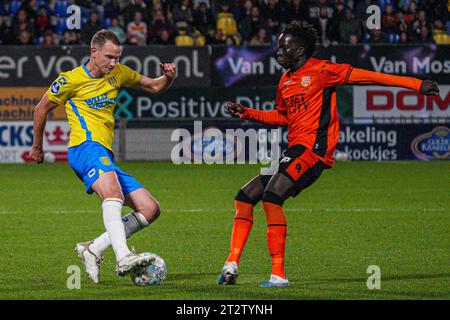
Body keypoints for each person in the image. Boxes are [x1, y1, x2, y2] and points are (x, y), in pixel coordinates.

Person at [220, 20, 439, 288]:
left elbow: (370, 76)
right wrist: (248, 113)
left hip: (314, 151)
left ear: (300, 50)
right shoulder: (285, 81)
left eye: (283, 48)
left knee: (272, 197)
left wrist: (416, 85)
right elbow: (283, 117)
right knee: (245, 196)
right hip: (294, 151)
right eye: (278, 48)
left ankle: (278, 275)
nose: (278, 53)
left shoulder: (323, 70)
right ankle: (231, 264)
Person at [29, 29, 177, 284]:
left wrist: (168, 77)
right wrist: (37, 147)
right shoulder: (70, 80)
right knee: (113, 194)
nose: (114, 63)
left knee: (150, 209)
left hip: (103, 154)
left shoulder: (118, 73)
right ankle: (123, 257)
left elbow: (154, 86)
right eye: (109, 57)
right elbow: (41, 108)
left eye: (118, 57)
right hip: (84, 147)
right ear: (93, 52)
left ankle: (93, 248)